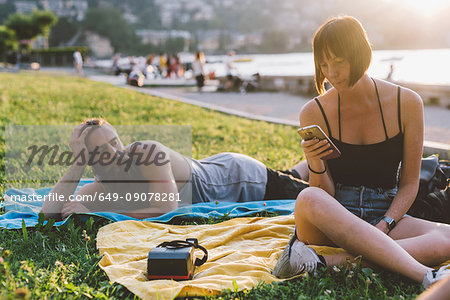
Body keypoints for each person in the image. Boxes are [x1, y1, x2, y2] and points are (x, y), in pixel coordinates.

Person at [272, 16, 450, 290]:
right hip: (333, 217)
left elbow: (410, 184)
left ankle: (322, 263)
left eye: (339, 61)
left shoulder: (408, 103)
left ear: (360, 55)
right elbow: (324, 195)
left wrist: (385, 225)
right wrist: (315, 162)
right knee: (308, 197)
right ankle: (425, 275)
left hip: (385, 212)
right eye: (324, 64)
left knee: (446, 238)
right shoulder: (313, 111)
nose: (331, 72)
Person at [41, 118, 309, 220]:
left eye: (115, 142)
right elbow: (49, 213)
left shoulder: (146, 152)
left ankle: (320, 160)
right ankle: (306, 165)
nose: (115, 153)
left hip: (240, 178)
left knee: (313, 194)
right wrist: (76, 165)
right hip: (217, 169)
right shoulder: (100, 187)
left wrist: (101, 212)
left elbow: (165, 209)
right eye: (101, 152)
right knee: (292, 177)